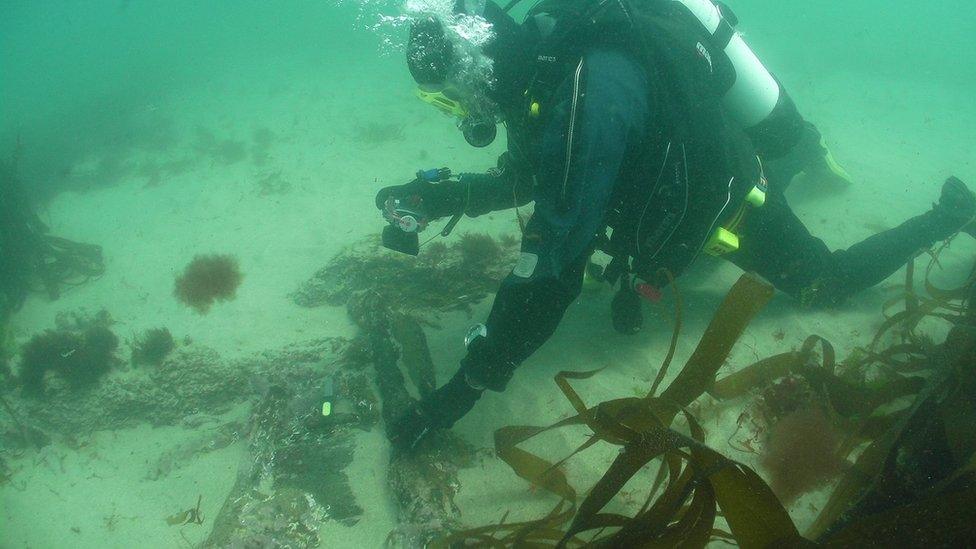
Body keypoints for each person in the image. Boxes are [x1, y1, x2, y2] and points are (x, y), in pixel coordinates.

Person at [376, 0, 976, 450]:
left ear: (478, 68)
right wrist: (442, 197)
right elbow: (540, 176)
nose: (463, 116)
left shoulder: (589, 91)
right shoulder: (544, 67)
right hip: (662, 196)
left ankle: (947, 214)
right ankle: (801, 157)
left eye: (449, 100)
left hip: (728, 204)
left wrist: (463, 390)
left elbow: (555, 261)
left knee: (823, 283)